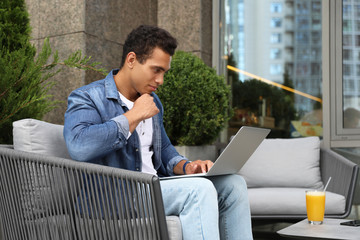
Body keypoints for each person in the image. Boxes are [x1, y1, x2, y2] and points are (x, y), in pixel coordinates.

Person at [64, 25, 253, 240]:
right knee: (198, 192)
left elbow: (163, 149)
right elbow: (78, 146)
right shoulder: (88, 97)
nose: (161, 80)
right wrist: (133, 116)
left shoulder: (153, 102)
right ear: (132, 60)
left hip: (153, 188)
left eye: (164, 72)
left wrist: (187, 166)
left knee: (233, 185)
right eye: (156, 70)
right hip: (114, 196)